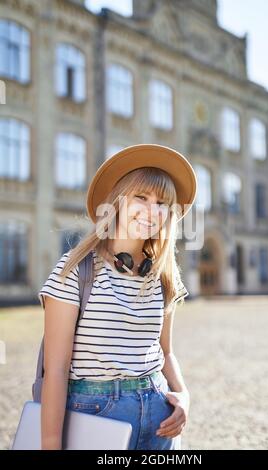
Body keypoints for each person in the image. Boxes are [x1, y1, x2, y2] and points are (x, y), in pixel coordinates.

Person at [38, 143, 197, 450]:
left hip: (159, 414)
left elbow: (166, 352)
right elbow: (55, 370)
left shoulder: (163, 275)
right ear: (117, 203)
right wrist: (49, 444)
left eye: (162, 202)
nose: (153, 210)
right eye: (141, 196)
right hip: (96, 413)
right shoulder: (78, 269)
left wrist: (184, 396)